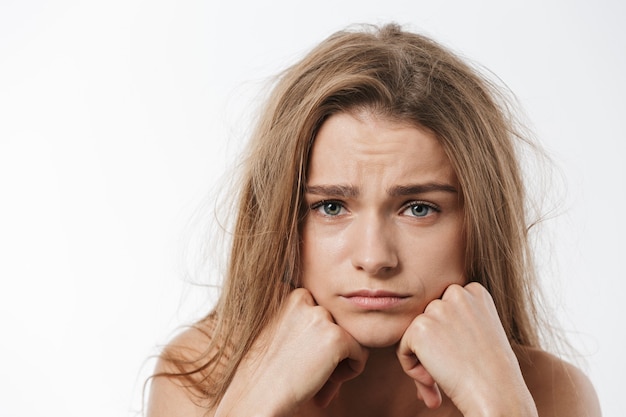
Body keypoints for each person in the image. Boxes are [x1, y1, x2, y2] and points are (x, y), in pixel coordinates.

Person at [146, 23, 601, 416]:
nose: (374, 258)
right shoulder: (199, 377)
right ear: (282, 220)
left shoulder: (550, 394)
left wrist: (503, 409)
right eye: (331, 207)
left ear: (481, 222)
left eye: (418, 208)